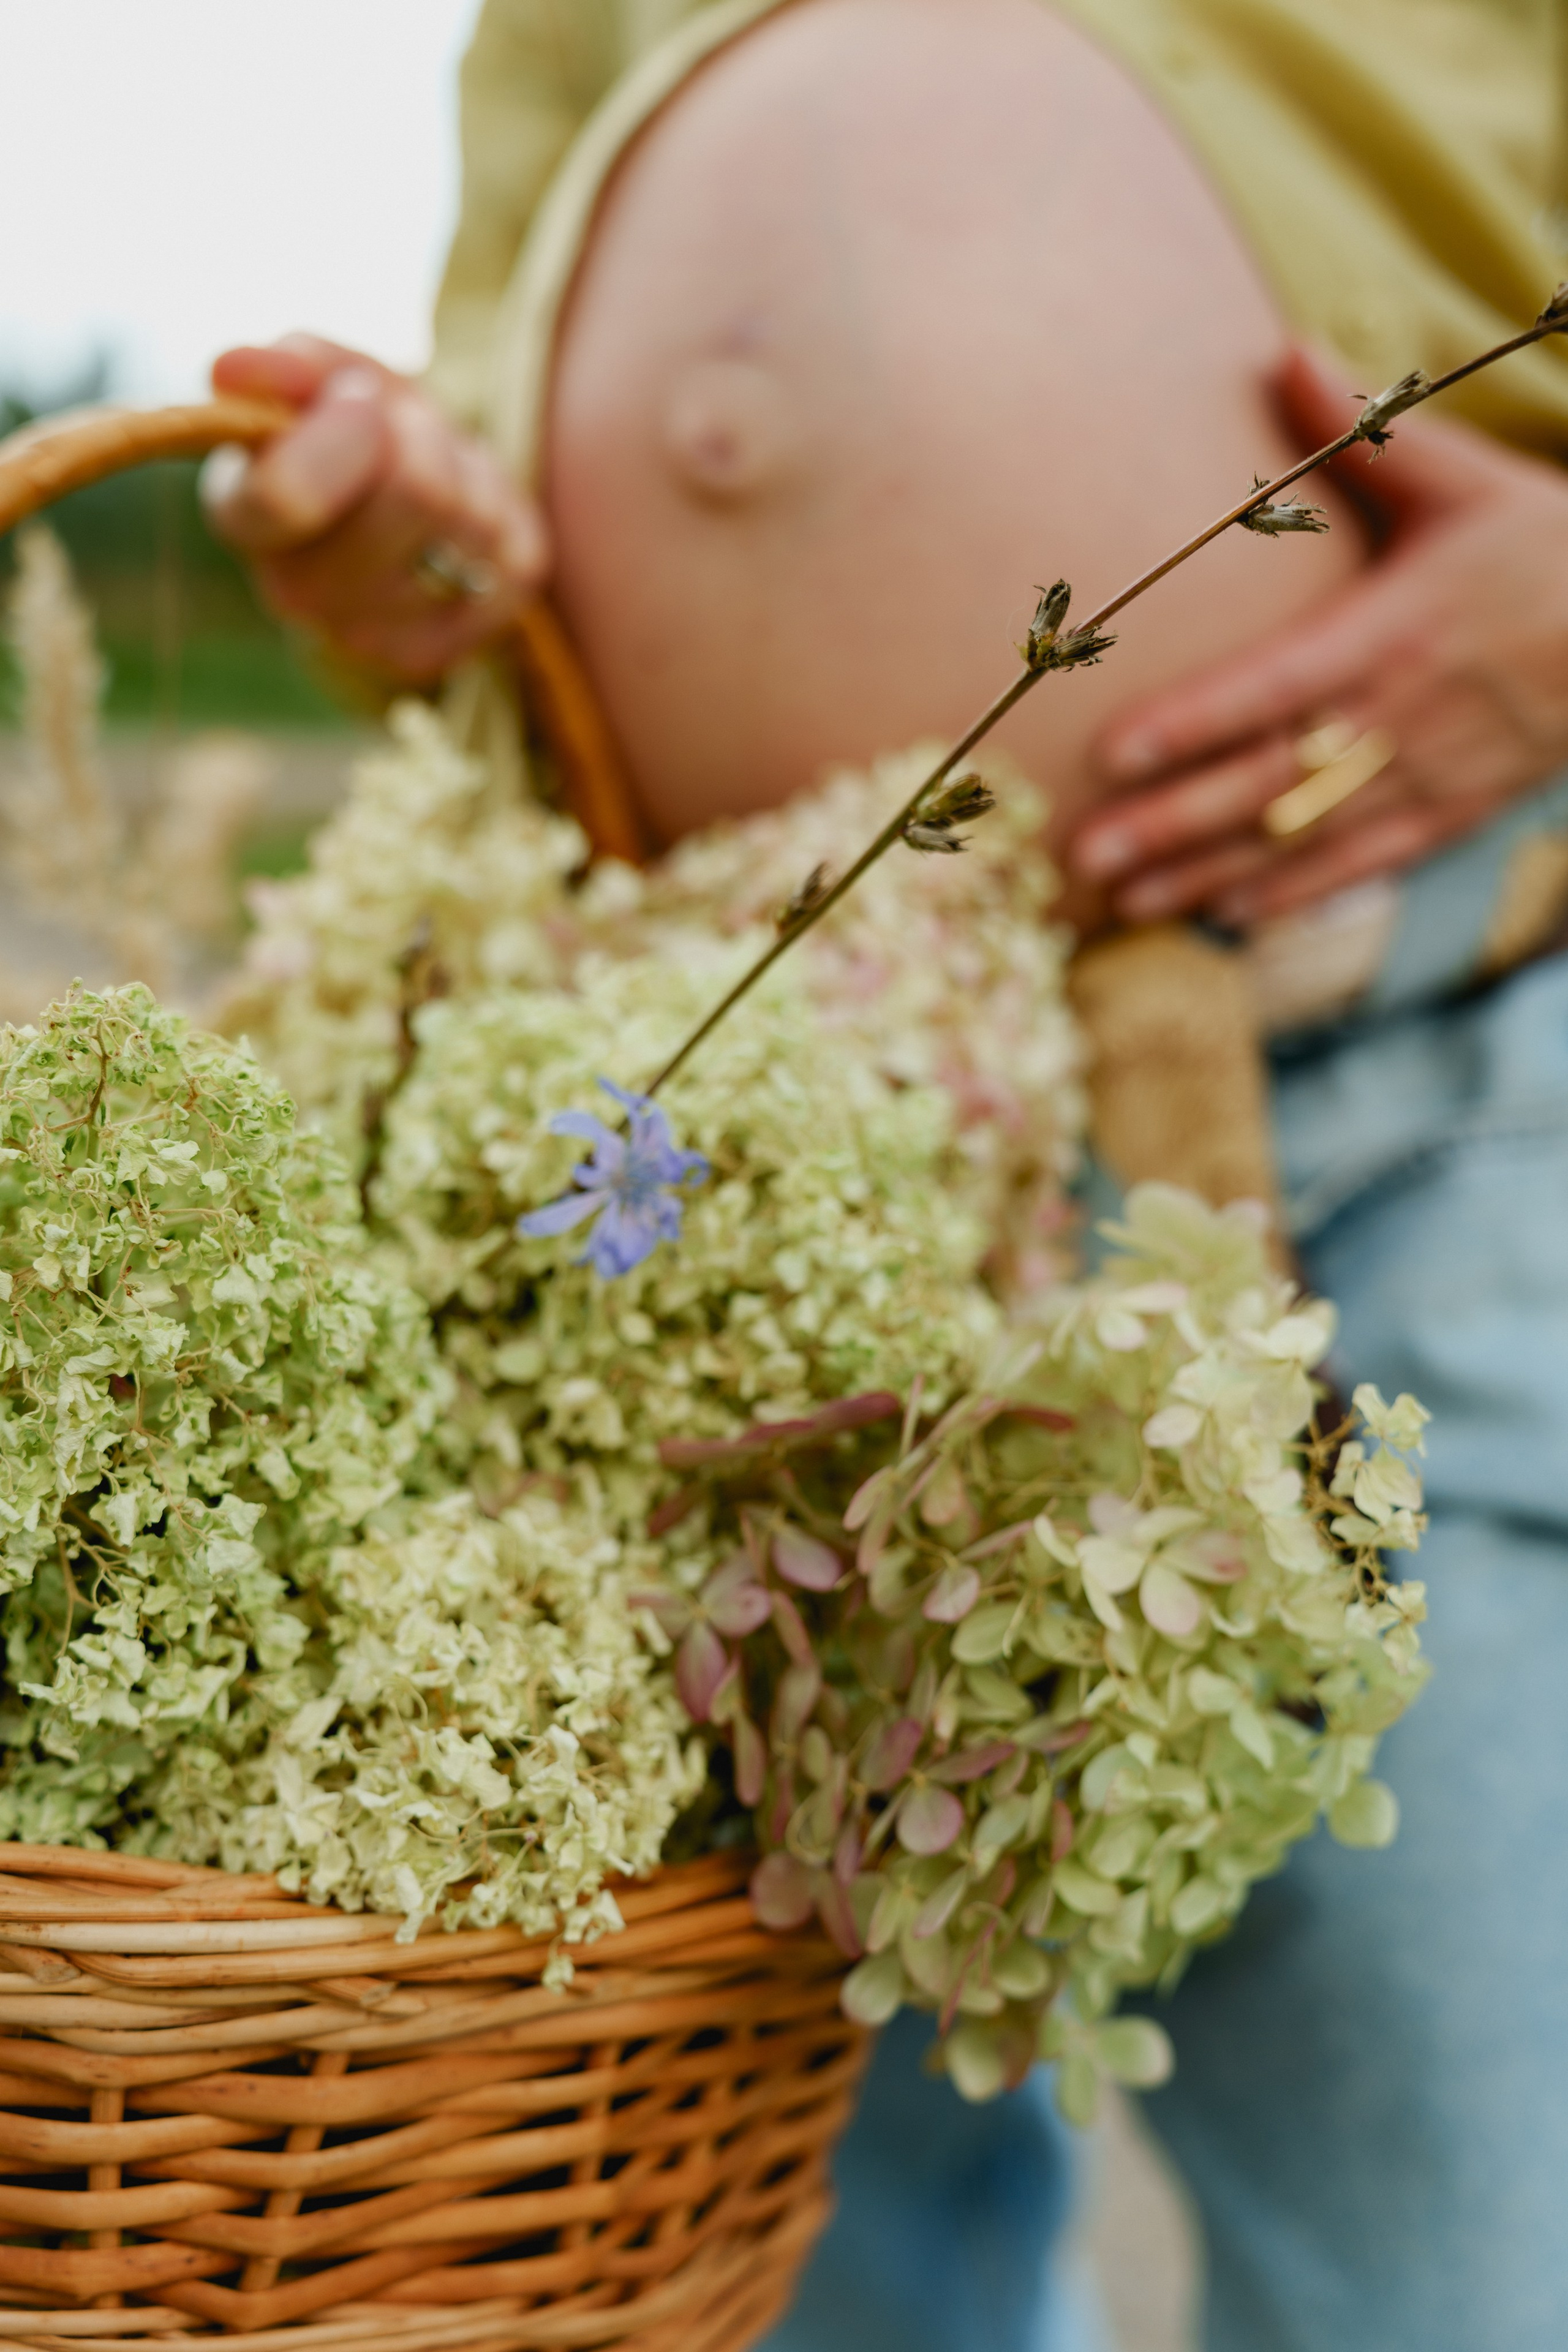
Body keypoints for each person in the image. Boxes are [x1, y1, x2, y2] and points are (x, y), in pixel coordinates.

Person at [209, 4, 1568, 2346]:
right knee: (790, 2278)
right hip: (728, 1220)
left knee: (1445, 2261)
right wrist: (417, 538)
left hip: (1385, 1081)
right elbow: (493, 415)